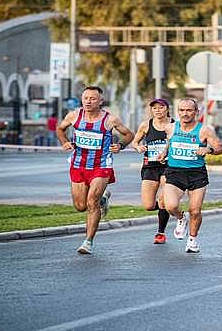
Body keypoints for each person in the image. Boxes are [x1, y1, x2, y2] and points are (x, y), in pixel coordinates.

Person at [56, 86, 134, 254]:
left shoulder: (110, 120)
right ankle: (103, 200)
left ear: (100, 101)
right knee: (80, 206)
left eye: (92, 99)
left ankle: (88, 242)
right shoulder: (74, 116)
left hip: (101, 165)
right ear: (82, 100)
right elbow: (60, 129)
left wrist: (120, 145)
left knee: (91, 202)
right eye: (86, 98)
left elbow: (129, 135)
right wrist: (64, 141)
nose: (88, 101)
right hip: (78, 164)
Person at [157, 99, 222, 253]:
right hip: (174, 171)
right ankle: (181, 218)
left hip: (197, 173)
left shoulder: (204, 130)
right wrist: (164, 153)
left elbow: (220, 148)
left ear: (196, 112)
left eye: (189, 110)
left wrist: (209, 150)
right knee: (170, 206)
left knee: (195, 210)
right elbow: (169, 143)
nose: (185, 113)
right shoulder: (171, 128)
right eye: (181, 110)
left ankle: (193, 239)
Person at [131, 99, 173, 244]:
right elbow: (135, 142)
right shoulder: (145, 125)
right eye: (154, 108)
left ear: (167, 109)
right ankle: (168, 207)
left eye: (161, 107)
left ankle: (160, 233)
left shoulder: (174, 125)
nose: (157, 110)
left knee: (162, 199)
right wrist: (138, 147)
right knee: (148, 205)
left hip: (169, 166)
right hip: (150, 166)